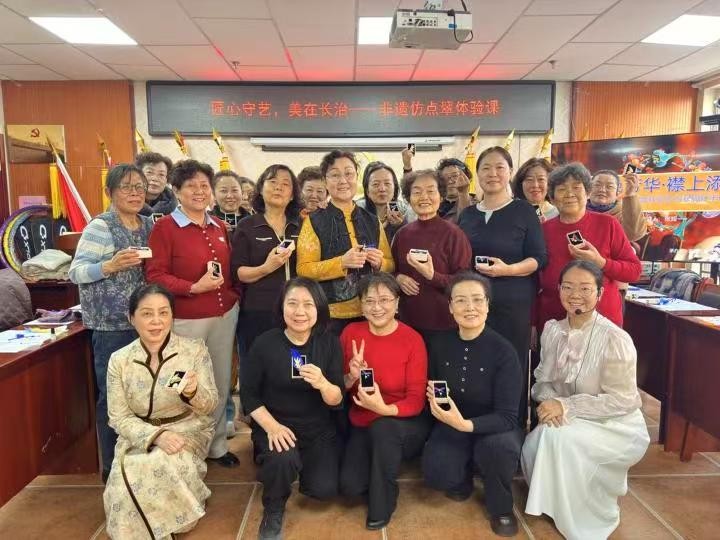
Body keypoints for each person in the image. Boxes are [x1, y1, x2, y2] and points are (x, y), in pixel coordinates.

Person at [522, 261, 650, 540]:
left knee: (558, 439)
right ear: (558, 289)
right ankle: (556, 503)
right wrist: (550, 403)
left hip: (614, 423)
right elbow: (543, 381)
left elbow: (623, 401)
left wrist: (566, 405)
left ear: (600, 293)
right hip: (567, 416)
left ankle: (585, 515)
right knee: (539, 439)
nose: (575, 295)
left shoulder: (615, 339)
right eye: (568, 287)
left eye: (585, 288)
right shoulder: (552, 330)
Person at [103, 284, 219, 539]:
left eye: (163, 313)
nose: (156, 321)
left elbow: (210, 405)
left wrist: (193, 392)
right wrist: (155, 436)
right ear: (131, 318)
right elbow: (118, 417)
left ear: (172, 316)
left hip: (187, 430)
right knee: (127, 476)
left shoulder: (193, 350)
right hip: (137, 434)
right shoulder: (119, 360)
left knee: (159, 461)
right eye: (147, 313)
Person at [146, 159, 240, 467]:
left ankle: (216, 446)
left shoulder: (219, 226)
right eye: (191, 186)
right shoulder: (164, 227)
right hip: (186, 320)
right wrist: (192, 287)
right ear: (176, 191)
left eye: (204, 185)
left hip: (224, 317)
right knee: (183, 384)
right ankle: (184, 449)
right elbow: (155, 274)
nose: (199, 191)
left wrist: (234, 298)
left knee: (220, 382)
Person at [69, 163, 154, 483]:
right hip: (111, 328)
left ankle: (141, 460)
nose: (135, 193)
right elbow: (76, 272)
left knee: (144, 394)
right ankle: (112, 468)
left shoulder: (148, 225)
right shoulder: (100, 227)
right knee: (114, 397)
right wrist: (109, 265)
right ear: (110, 192)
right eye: (126, 187)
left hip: (146, 326)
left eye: (139, 187)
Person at [241, 278, 344, 540]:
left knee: (323, 489)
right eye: (292, 303)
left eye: (308, 304)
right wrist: (272, 427)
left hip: (317, 428)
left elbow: (337, 399)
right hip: (276, 424)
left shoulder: (329, 343)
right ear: (281, 307)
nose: (300, 312)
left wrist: (323, 383)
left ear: (319, 308)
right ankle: (273, 507)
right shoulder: (265, 343)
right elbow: (249, 395)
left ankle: (296, 462)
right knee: (282, 457)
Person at [423, 272, 523, 537]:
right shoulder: (439, 344)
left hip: (495, 428)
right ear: (450, 307)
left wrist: (465, 425)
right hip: (452, 422)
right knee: (437, 473)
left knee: (498, 449)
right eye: (461, 300)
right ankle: (463, 472)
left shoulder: (504, 351)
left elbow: (507, 417)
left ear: (488, 305)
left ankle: (501, 508)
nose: (470, 307)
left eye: (478, 300)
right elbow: (435, 389)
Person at [457, 146, 547, 427]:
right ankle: (476, 424)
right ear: (477, 174)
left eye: (499, 167)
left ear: (510, 173)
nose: (492, 173)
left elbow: (539, 258)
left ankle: (512, 425)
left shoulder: (523, 211)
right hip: (474, 305)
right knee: (477, 362)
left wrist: (508, 269)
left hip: (513, 302)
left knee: (511, 363)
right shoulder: (468, 215)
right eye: (485, 168)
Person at [339, 273, 429, 530]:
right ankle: (380, 462)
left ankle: (383, 501)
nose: (376, 307)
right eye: (369, 301)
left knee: (384, 428)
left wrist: (384, 409)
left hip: (402, 421)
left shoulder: (412, 340)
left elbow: (416, 401)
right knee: (350, 487)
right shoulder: (350, 333)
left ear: (397, 303)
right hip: (363, 422)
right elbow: (340, 388)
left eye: (384, 300)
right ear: (361, 305)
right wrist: (350, 376)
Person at [297, 150, 394, 334]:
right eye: (335, 175)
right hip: (330, 315)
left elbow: (390, 264)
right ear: (325, 182)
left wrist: (380, 262)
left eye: (349, 173)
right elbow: (303, 269)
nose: (343, 180)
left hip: (371, 312)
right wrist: (341, 262)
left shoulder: (372, 220)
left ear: (357, 177)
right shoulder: (314, 220)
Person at [538, 162, 642, 331]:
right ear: (553, 197)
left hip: (602, 323)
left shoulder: (608, 224)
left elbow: (634, 271)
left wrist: (600, 262)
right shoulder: (543, 230)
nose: (569, 194)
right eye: (562, 189)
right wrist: (533, 321)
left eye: (576, 188)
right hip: (555, 322)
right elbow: (535, 279)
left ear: (587, 193)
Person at [392, 169, 472, 338]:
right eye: (417, 192)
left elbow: (464, 281)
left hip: (444, 324)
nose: (424, 197)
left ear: (441, 196)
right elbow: (392, 270)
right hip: (407, 323)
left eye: (430, 191)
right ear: (408, 198)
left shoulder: (454, 234)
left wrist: (432, 276)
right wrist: (398, 278)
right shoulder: (402, 234)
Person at [231, 164, 302, 351]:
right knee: (257, 362)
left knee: (294, 362)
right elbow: (239, 273)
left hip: (297, 311)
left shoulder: (302, 225)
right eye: (272, 181)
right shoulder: (247, 225)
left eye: (285, 184)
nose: (278, 187)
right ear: (261, 189)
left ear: (292, 195)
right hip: (258, 310)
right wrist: (266, 267)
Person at [402, 151, 475, 222]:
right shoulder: (432, 201)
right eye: (445, 177)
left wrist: (463, 193)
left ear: (466, 177)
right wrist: (407, 167)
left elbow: (467, 222)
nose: (450, 181)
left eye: (455, 176)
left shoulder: (475, 204)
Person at [588, 170, 647, 245]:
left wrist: (630, 194)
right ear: (589, 188)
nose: (602, 190)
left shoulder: (622, 214)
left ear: (618, 191)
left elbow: (634, 234)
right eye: (597, 185)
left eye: (609, 186)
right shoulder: (578, 211)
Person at [356, 161, 407, 242]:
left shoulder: (401, 209)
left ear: (395, 189)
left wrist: (399, 226)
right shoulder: (358, 210)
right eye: (376, 184)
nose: (382, 189)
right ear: (367, 191)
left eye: (387, 183)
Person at [512, 157, 558, 222]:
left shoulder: (559, 214)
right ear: (520, 183)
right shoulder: (511, 213)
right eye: (529, 179)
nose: (535, 185)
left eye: (541, 179)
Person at [134, 152, 177, 217]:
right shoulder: (124, 205)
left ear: (167, 179)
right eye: (149, 172)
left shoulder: (176, 209)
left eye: (161, 174)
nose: (155, 178)